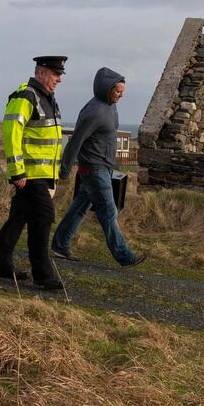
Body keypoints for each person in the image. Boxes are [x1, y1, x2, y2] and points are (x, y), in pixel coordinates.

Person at [51, 67, 146, 268]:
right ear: (107, 88)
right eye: (118, 91)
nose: (121, 96)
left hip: (104, 166)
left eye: (123, 92)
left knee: (79, 208)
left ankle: (60, 244)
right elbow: (75, 141)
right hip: (94, 169)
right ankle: (124, 255)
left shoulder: (111, 107)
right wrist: (65, 169)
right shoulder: (93, 111)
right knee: (108, 211)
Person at [0, 55, 67, 290]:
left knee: (19, 216)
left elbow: (49, 144)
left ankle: (1, 262)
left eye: (60, 75)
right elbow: (11, 132)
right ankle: (42, 273)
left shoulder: (48, 99)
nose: (59, 79)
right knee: (43, 217)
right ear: (41, 72)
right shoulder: (26, 96)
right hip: (28, 174)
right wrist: (17, 172)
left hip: (40, 175)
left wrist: (52, 179)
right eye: (55, 74)